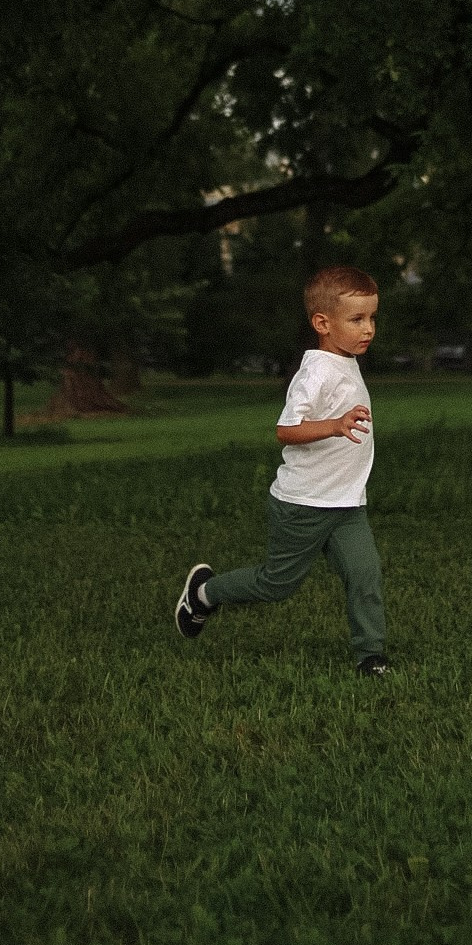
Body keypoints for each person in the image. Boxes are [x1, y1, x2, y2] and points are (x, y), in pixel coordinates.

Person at [174, 264, 390, 676]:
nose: (368, 329)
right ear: (322, 323)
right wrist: (334, 425)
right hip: (303, 505)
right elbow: (286, 429)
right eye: (357, 319)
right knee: (277, 584)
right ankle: (204, 594)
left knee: (365, 575)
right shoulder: (316, 372)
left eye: (372, 318)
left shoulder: (345, 362)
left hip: (346, 504)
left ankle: (371, 656)